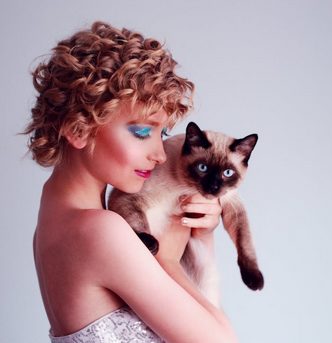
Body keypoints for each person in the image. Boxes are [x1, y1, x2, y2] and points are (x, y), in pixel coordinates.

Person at [24, 21, 238, 343]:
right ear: (78, 129)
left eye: (162, 133)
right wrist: (166, 258)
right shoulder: (99, 231)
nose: (160, 154)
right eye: (141, 132)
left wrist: (201, 239)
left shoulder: (53, 223)